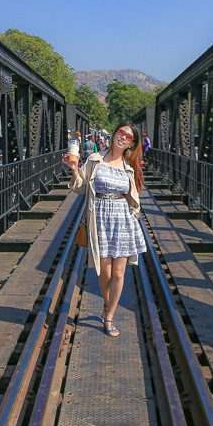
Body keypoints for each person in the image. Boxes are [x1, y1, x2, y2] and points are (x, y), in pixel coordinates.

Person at [65, 123, 147, 337]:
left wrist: (134, 213)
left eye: (129, 137)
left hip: (122, 220)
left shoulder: (130, 165)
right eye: (121, 132)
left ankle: (109, 316)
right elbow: (80, 187)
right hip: (99, 218)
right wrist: (74, 169)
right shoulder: (95, 160)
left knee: (119, 273)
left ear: (132, 144)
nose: (123, 138)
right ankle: (108, 304)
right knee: (105, 272)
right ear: (114, 134)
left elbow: (134, 194)